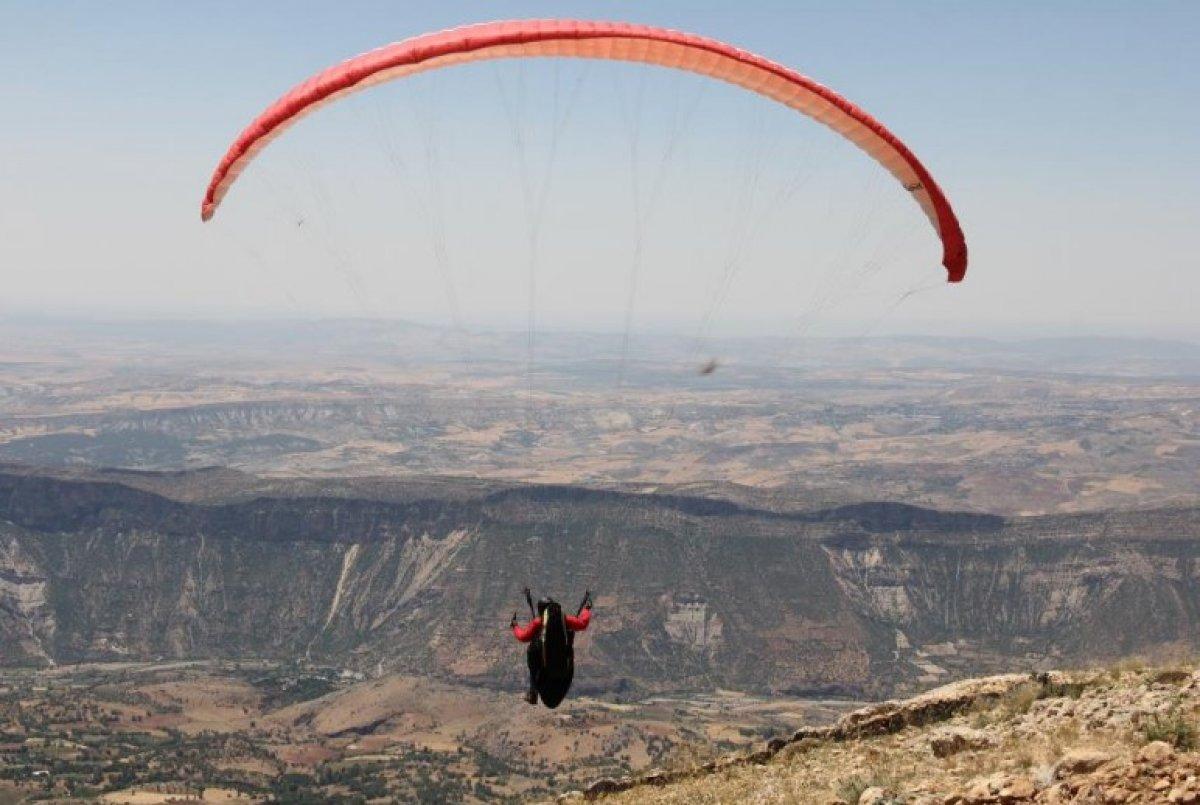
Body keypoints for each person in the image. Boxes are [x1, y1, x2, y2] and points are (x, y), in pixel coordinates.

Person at [511, 589, 592, 707]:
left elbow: (523, 637)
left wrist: (515, 626)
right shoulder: (565, 619)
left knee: (532, 651)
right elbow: (582, 623)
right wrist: (586, 610)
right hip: (565, 665)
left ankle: (533, 692)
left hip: (543, 667)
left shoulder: (539, 622)